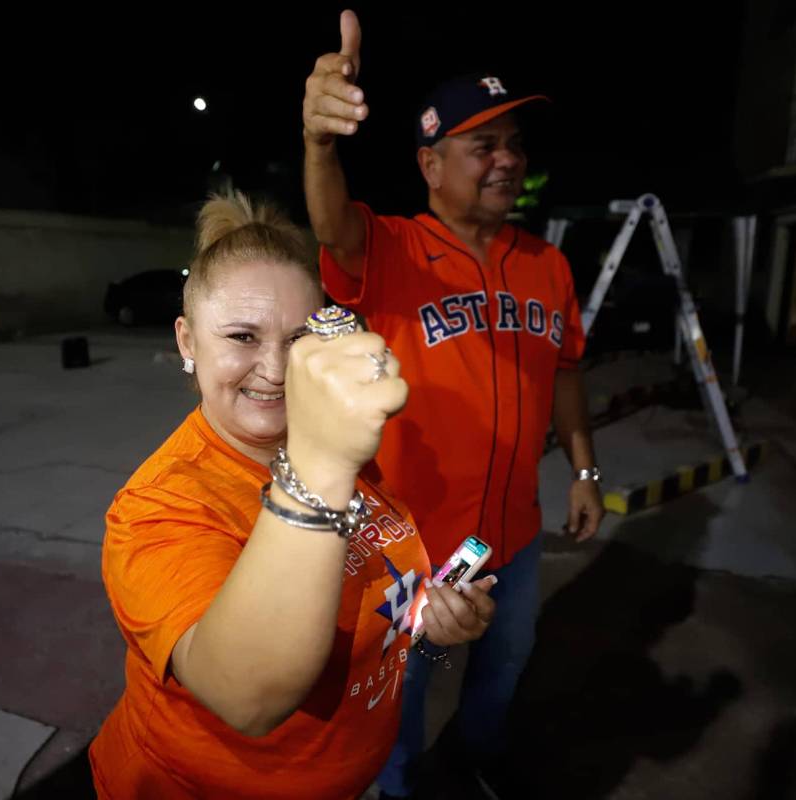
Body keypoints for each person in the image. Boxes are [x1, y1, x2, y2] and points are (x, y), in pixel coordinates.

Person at [88, 192, 497, 799]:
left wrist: (431, 627)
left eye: (300, 338)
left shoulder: (338, 447)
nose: (276, 370)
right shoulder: (160, 505)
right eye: (242, 336)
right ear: (187, 341)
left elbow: (368, 600)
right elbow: (246, 695)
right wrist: (320, 461)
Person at [302, 10, 605, 797]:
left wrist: (584, 470)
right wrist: (320, 144)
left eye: (515, 144)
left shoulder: (547, 265)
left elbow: (566, 370)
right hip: (418, 546)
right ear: (431, 165)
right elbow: (332, 226)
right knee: (404, 681)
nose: (508, 160)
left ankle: (479, 756)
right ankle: (398, 786)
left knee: (506, 659)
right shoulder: (394, 249)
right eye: (484, 145)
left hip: (517, 535)